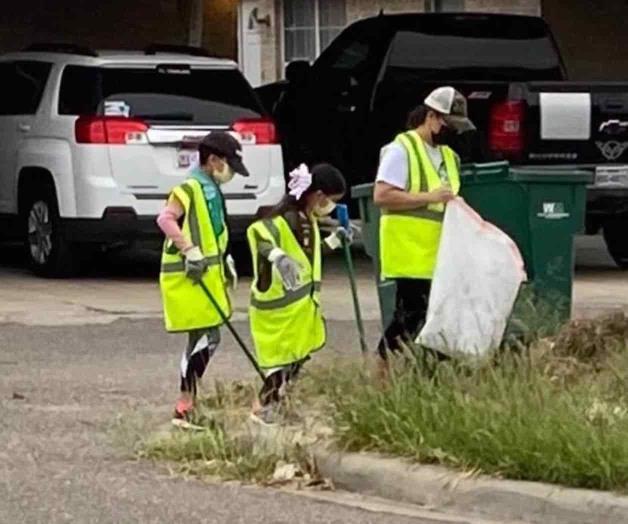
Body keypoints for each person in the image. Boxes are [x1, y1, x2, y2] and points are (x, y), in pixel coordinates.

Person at [373, 86, 475, 368]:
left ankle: (427, 376)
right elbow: (382, 196)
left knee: (437, 318)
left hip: (439, 254)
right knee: (410, 317)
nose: (450, 130)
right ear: (430, 116)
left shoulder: (448, 157)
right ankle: (381, 374)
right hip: (410, 252)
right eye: (446, 123)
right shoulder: (401, 150)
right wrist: (430, 197)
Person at [157, 132, 250, 429]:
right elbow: (165, 219)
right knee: (207, 338)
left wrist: (224, 257)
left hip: (207, 274)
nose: (231, 172)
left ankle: (187, 405)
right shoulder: (190, 187)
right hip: (190, 276)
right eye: (229, 165)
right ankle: (184, 406)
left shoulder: (210, 188)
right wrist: (189, 249)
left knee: (204, 338)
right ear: (212, 161)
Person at [246, 163, 348, 425]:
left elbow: (306, 258)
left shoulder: (307, 220)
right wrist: (275, 255)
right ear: (318, 195)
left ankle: (278, 405)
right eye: (330, 201)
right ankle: (262, 408)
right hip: (280, 310)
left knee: (296, 361)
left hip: (300, 309)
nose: (329, 208)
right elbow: (258, 234)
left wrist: (334, 241)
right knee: (282, 365)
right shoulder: (285, 220)